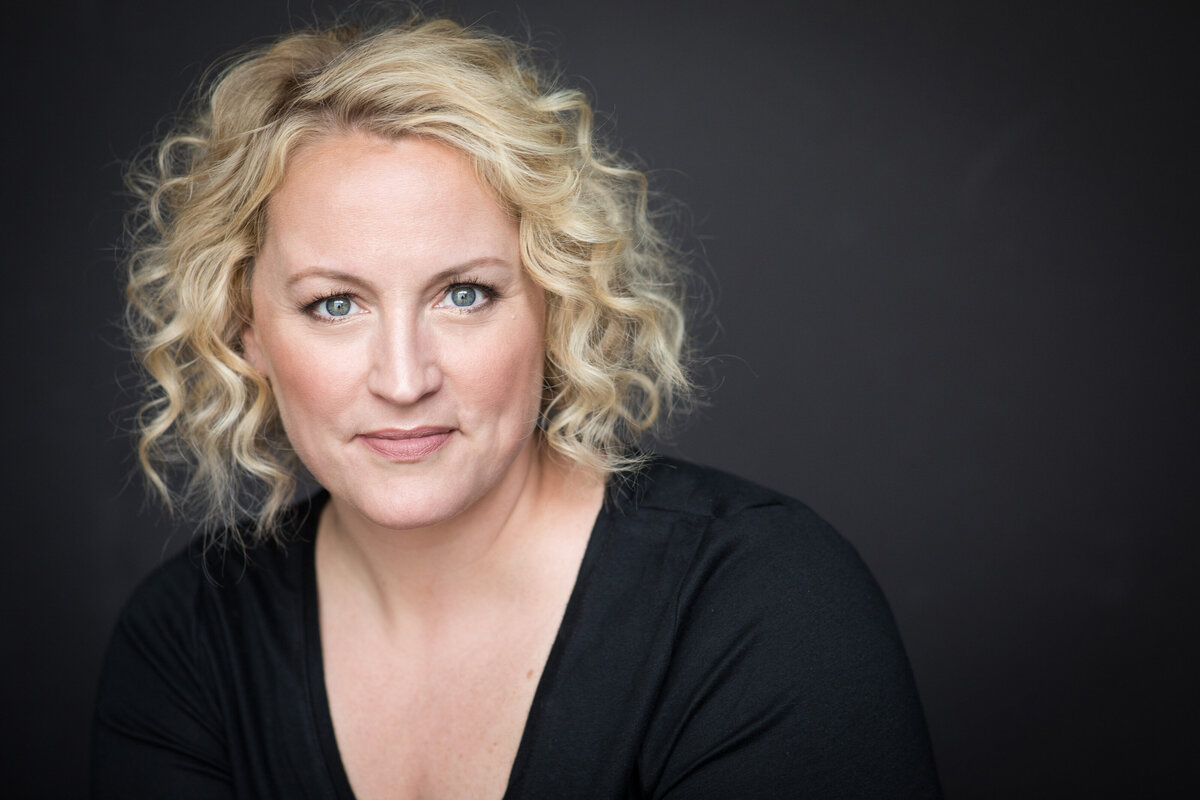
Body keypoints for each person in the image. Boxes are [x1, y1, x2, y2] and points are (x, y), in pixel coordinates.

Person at [93, 13, 941, 799]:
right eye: (334, 304)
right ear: (247, 332)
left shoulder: (764, 603)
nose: (402, 378)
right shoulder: (187, 644)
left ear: (552, 303)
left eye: (463, 293)